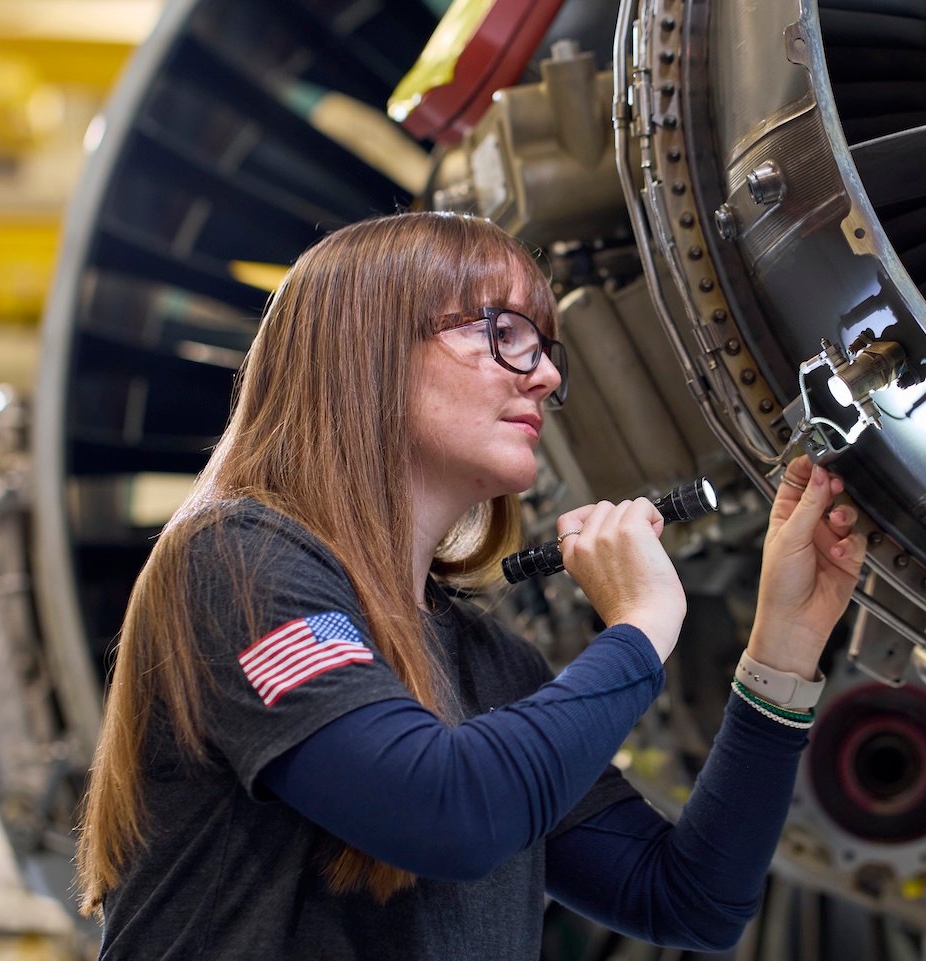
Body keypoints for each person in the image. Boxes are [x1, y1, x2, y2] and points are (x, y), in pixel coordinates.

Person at [75, 211, 864, 959]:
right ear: (369, 349)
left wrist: (783, 647)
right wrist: (639, 626)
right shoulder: (236, 562)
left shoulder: (488, 661)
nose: (545, 375)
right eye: (505, 333)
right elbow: (443, 813)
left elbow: (691, 899)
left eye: (544, 346)